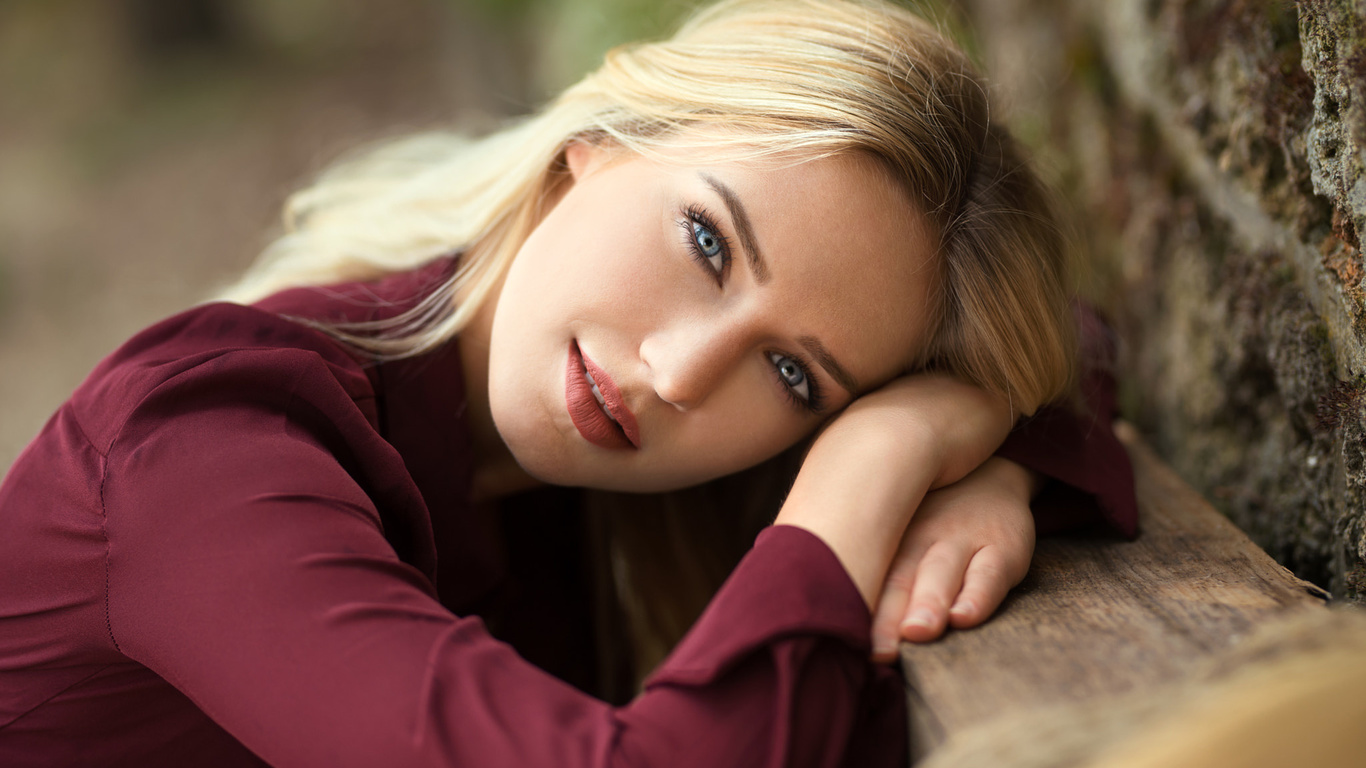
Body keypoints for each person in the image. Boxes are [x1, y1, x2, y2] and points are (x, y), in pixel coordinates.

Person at [0, 0, 1136, 765]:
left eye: (792, 371)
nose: (680, 374)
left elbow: (1070, 342)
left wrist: (996, 447)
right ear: (592, 145)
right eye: (705, 242)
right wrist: (882, 457)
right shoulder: (200, 455)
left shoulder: (537, 449)